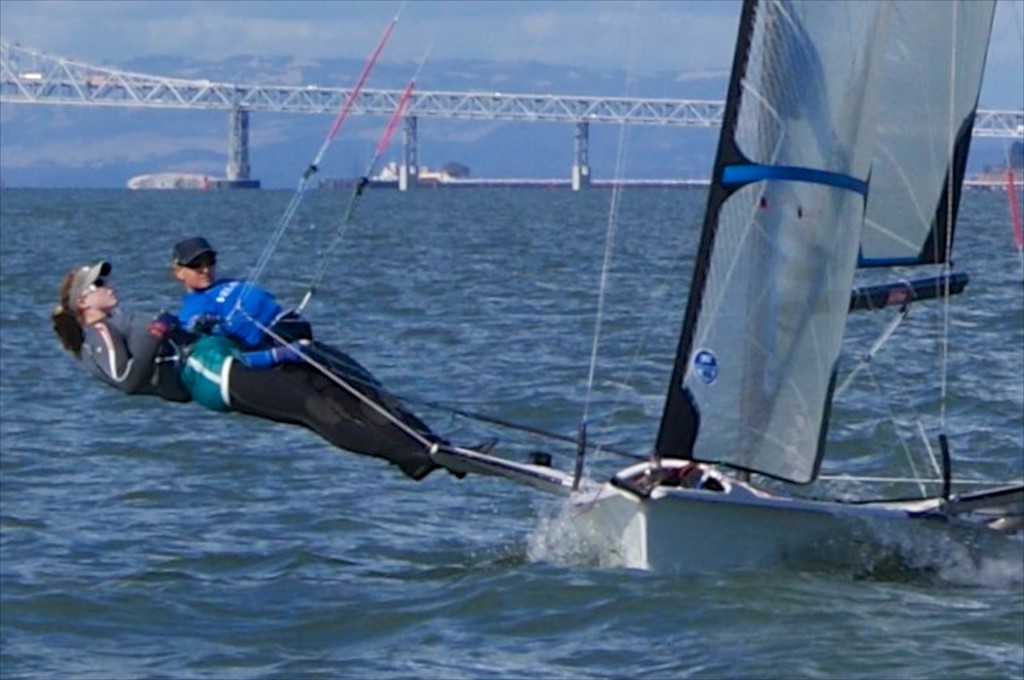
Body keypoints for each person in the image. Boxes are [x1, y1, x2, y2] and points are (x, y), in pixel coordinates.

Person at [164, 237, 452, 481]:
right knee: (327, 412)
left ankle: (433, 445)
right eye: (195, 265)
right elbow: (222, 355)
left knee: (368, 393)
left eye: (209, 261)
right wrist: (194, 328)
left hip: (303, 344)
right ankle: (408, 457)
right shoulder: (191, 313)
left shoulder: (225, 284)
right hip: (283, 361)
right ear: (178, 272)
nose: (205, 269)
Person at [51, 261, 190, 402]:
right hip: (191, 374)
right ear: (82, 302)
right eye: (98, 284)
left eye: (106, 281)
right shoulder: (99, 332)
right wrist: (156, 333)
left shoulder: (112, 324)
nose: (109, 287)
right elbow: (126, 380)